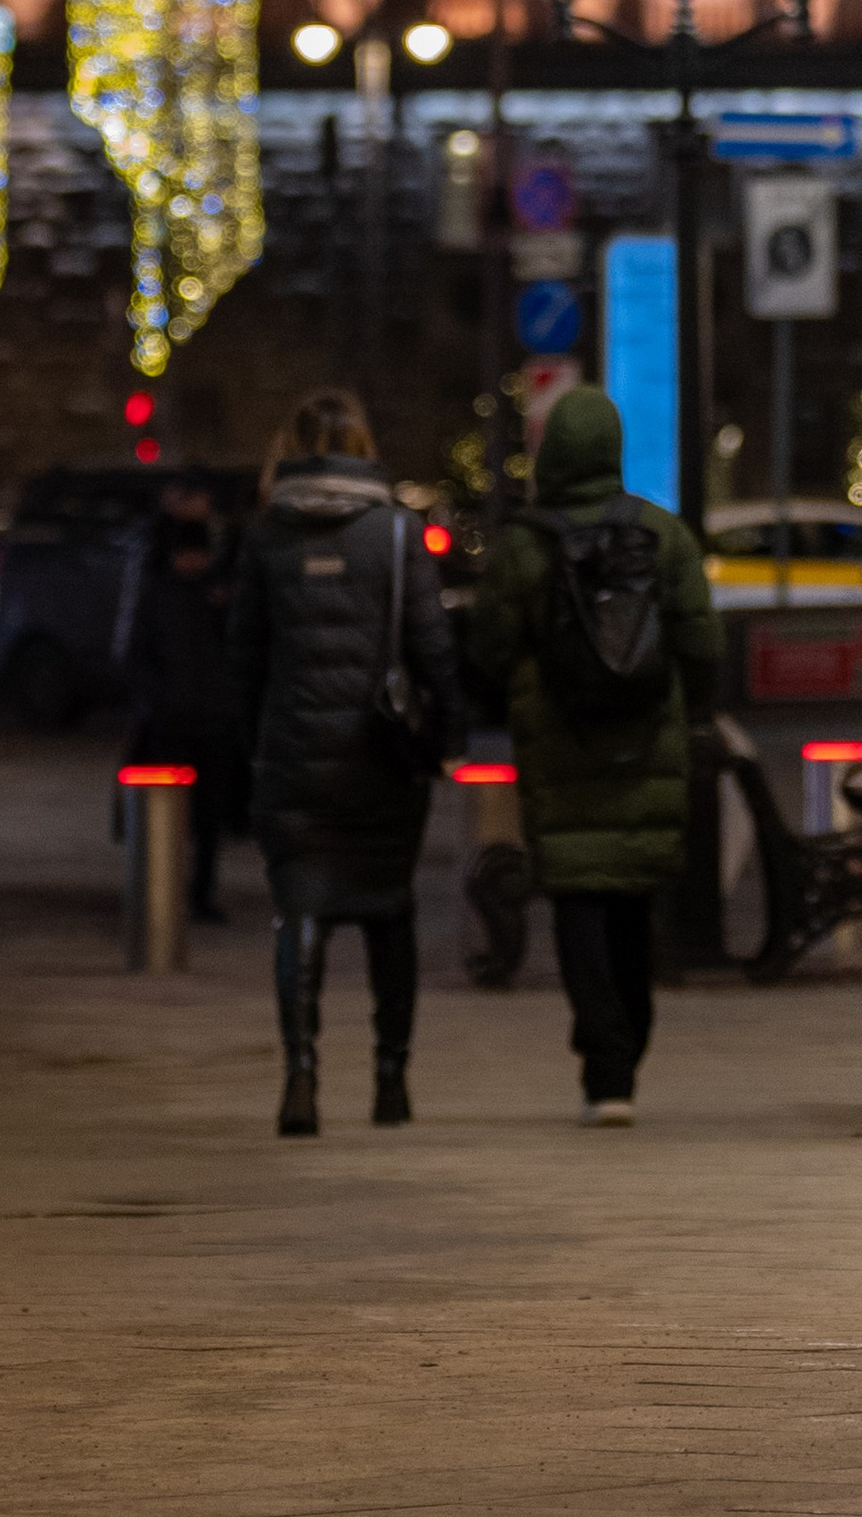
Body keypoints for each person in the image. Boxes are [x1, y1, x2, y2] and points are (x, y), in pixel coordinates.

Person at [470, 383, 716, 1125]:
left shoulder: (522, 543)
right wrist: (687, 707)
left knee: (578, 900)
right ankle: (627, 1048)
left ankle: (604, 1067)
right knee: (634, 901)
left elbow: (486, 650)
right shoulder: (662, 535)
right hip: (648, 740)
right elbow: (702, 644)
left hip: (560, 744)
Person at [231, 388, 463, 1137]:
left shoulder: (267, 536)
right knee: (387, 907)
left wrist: (255, 744)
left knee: (301, 908)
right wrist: (447, 737)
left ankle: (301, 1073)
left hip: (294, 754)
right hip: (381, 757)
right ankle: (391, 1079)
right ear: (364, 445)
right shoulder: (398, 534)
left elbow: (243, 658)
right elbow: (433, 650)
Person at [128, 479, 246, 924]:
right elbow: (138, 655)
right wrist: (154, 702)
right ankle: (166, 889)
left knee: (208, 818)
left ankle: (200, 892)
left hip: (212, 720)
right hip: (172, 720)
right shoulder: (158, 594)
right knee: (168, 819)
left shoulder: (221, 596)